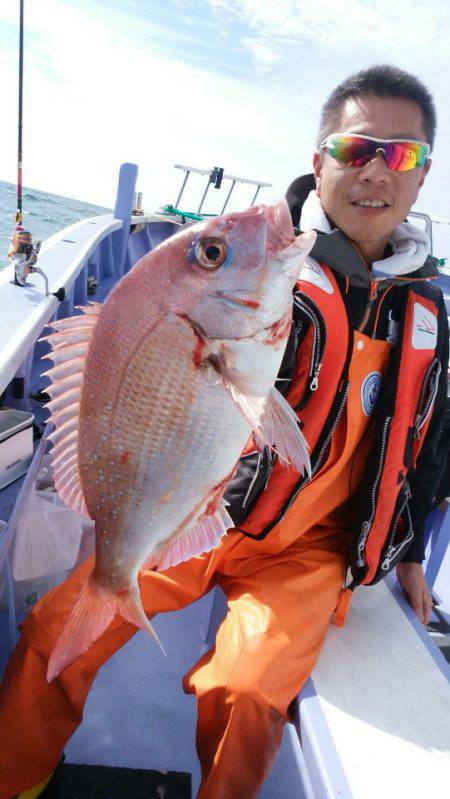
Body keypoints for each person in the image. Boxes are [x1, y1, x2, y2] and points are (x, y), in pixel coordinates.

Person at [0, 63, 448, 799]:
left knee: (247, 694)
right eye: (355, 149)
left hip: (310, 548)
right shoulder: (269, 267)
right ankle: (13, 779)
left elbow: (429, 440)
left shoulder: (427, 312)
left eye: (401, 154)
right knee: (56, 631)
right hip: (201, 505)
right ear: (320, 162)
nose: (376, 170)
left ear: (422, 173)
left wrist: (411, 555)